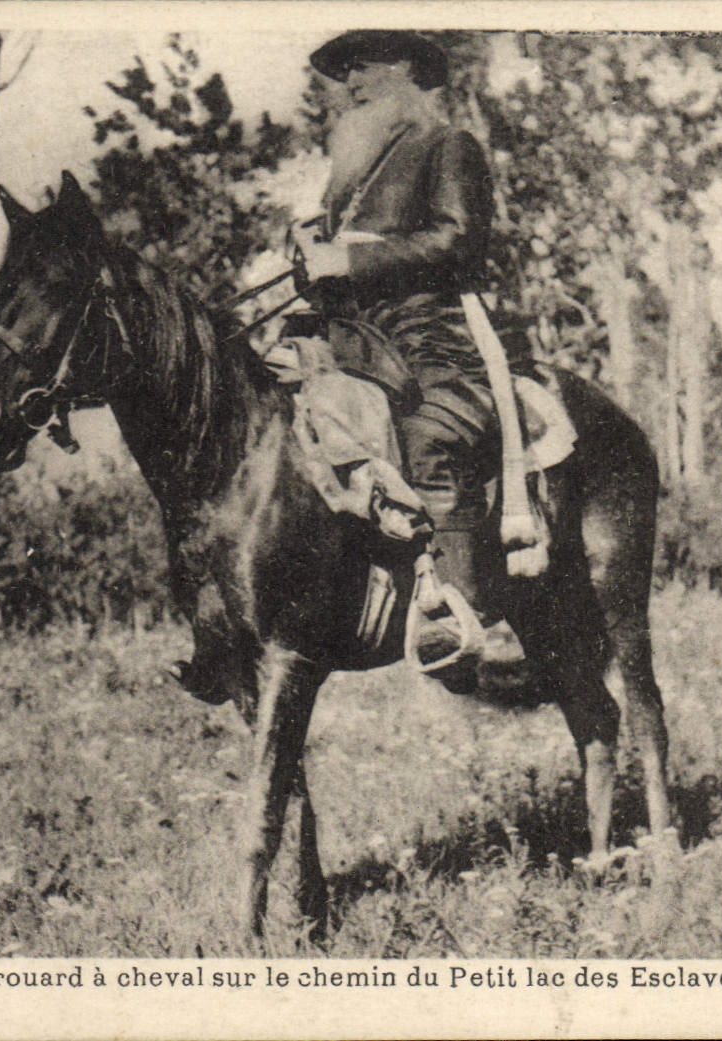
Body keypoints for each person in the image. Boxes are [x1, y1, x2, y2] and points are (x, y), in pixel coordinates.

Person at [293, 30, 496, 673]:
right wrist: (307, 260)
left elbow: (457, 242)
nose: (348, 83)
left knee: (429, 438)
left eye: (361, 68)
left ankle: (460, 621)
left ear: (407, 70)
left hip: (424, 339)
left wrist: (348, 259)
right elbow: (329, 274)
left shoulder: (448, 146)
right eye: (342, 72)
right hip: (346, 345)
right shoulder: (348, 182)